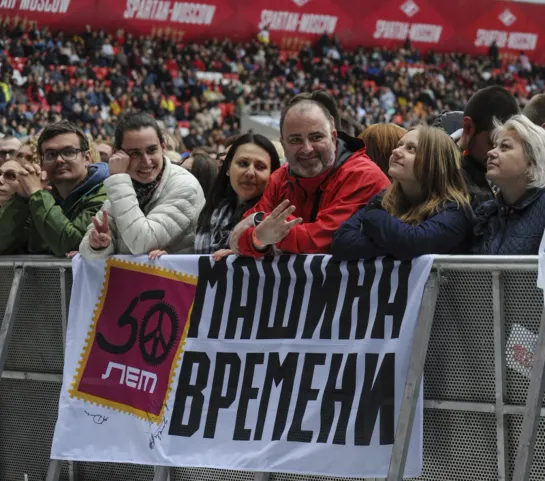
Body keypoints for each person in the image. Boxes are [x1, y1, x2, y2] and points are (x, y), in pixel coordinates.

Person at [229, 97, 390, 257]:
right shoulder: (279, 178)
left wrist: (261, 224)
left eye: (316, 137)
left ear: (333, 137)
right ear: (283, 144)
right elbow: (239, 238)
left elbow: (320, 242)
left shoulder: (364, 176)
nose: (307, 149)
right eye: (295, 140)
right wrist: (259, 239)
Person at [331, 126, 472, 261]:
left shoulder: (456, 211)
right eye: (399, 145)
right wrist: (394, 244)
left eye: (411, 149)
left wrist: (373, 217)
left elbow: (412, 243)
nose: (396, 151)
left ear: (435, 162)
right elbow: (341, 242)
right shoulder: (384, 199)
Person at [79, 113, 205, 259]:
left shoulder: (185, 186)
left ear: (163, 146)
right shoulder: (124, 184)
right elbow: (85, 248)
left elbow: (141, 243)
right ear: (117, 154)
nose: (146, 161)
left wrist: (118, 180)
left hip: (177, 280)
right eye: (135, 153)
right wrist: (99, 245)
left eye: (152, 150)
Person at [0, 121, 109, 256]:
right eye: (51, 154)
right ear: (41, 162)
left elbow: (73, 245)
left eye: (69, 152)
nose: (59, 160)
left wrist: (38, 194)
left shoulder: (106, 193)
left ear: (87, 158)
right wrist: (21, 199)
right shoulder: (40, 196)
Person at [194, 133, 281, 257]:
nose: (250, 173)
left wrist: (243, 257)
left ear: (272, 174)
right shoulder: (212, 210)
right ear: (228, 168)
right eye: (243, 164)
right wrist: (164, 259)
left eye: (260, 167)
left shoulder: (276, 216)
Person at [472, 115, 545, 255]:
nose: (490, 153)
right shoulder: (485, 213)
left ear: (532, 160)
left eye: (504, 147)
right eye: (494, 146)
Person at [458, 86, 520, 209]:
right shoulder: (441, 174)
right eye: (493, 143)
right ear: (468, 127)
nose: (498, 154)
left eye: (506, 146)